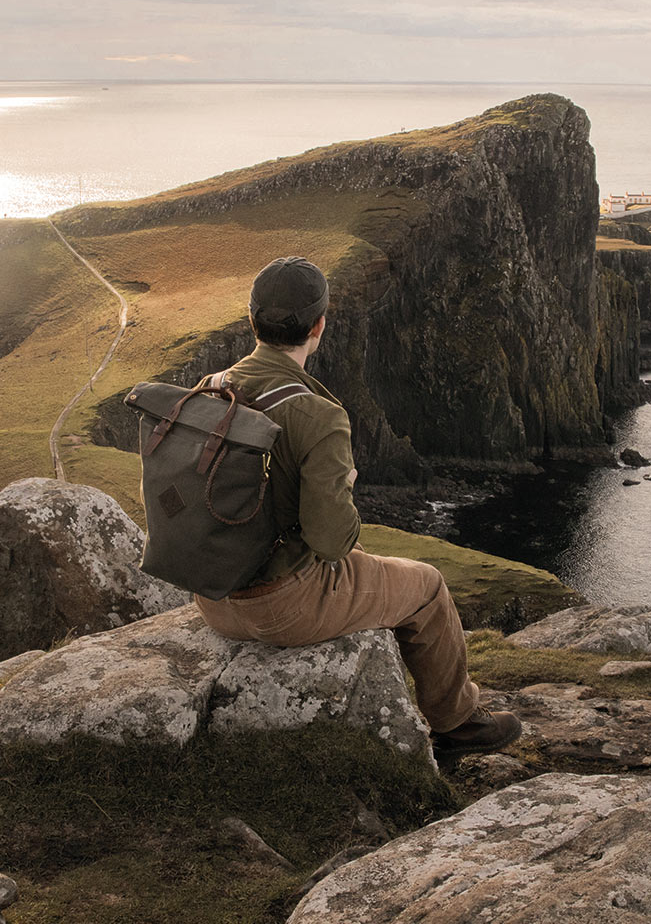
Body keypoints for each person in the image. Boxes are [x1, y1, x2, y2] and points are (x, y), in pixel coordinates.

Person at [192, 256, 523, 763]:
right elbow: (330, 542)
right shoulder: (316, 415)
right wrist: (343, 488)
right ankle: (458, 722)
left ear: (251, 319)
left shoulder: (210, 389)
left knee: (365, 563)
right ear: (319, 326)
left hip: (214, 599)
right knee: (428, 585)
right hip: (282, 609)